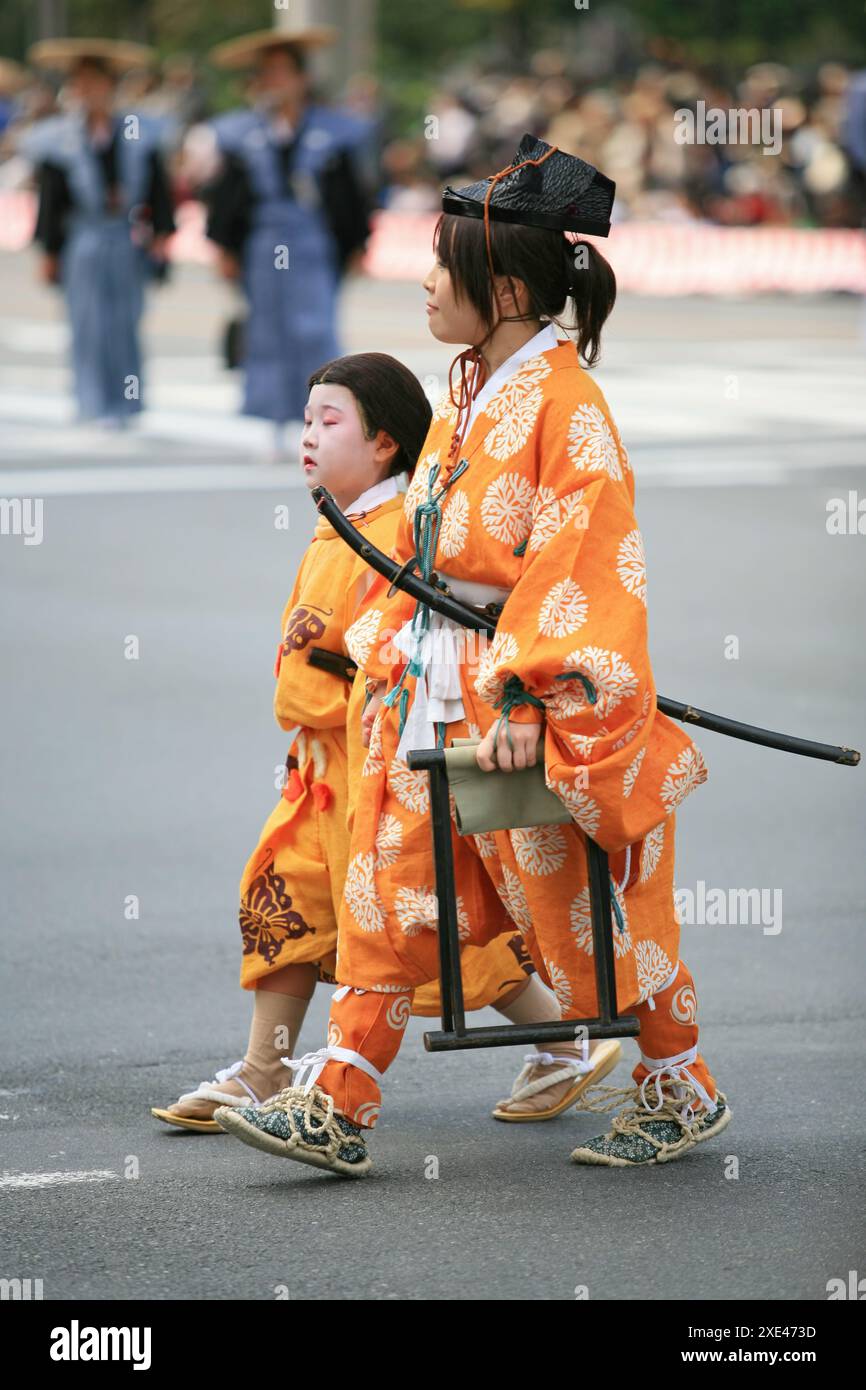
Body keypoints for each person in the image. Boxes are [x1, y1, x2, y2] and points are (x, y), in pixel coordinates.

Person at [214, 138, 720, 1179]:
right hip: (431, 681)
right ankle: (342, 1095)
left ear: (504, 288)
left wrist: (537, 697)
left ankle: (675, 1080)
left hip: (518, 696)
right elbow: (419, 544)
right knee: (383, 887)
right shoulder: (473, 389)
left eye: (441, 267)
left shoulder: (566, 407)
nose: (424, 282)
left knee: (584, 915)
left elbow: (580, 562)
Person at [152, 350, 610, 1133]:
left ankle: (565, 1038)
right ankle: (265, 1068)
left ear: (387, 444)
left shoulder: (400, 532)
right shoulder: (344, 522)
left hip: (377, 765)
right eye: (304, 421)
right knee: (286, 897)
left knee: (422, 922)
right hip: (319, 769)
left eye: (329, 423)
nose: (307, 437)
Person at [202, 26, 373, 450]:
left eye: (282, 72)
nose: (274, 82)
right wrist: (224, 247)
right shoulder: (242, 133)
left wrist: (357, 245)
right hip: (263, 243)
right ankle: (273, 419)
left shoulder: (334, 131)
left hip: (313, 242)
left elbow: (351, 195)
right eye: (267, 74)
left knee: (315, 330)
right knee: (266, 329)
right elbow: (227, 197)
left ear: (302, 78)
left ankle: (326, 419)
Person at [25, 39, 175, 425]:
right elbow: (51, 201)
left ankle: (127, 403)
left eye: (96, 82)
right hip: (84, 238)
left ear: (110, 86)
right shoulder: (61, 138)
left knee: (125, 321)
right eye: (81, 84)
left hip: (125, 237)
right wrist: (50, 252)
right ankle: (91, 402)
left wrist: (160, 238)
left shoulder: (137, 131)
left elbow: (159, 192)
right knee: (87, 322)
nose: (88, 91)